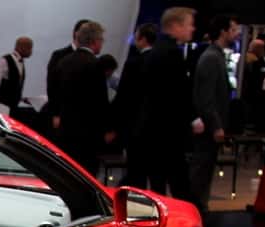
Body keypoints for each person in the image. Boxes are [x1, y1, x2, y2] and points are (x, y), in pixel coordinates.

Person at [133, 7, 202, 204]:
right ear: (175, 25)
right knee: (178, 182)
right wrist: (193, 117)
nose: (192, 29)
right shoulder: (170, 53)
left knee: (159, 182)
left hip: (153, 130)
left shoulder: (157, 51)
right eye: (189, 24)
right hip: (167, 132)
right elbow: (177, 93)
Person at [50, 21, 114, 176]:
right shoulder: (95, 65)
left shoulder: (63, 62)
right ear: (95, 41)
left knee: (65, 173)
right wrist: (108, 128)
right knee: (85, 175)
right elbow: (100, 101)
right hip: (88, 133)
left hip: (65, 128)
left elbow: (54, 91)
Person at [191, 16, 239, 211]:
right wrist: (216, 125)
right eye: (233, 29)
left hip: (211, 124)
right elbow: (206, 97)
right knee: (201, 169)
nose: (237, 34)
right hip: (208, 127)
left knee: (206, 168)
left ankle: (199, 206)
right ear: (223, 32)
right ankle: (196, 207)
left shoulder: (216, 55)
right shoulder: (211, 57)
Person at [113, 23, 157, 187]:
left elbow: (124, 96)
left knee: (136, 170)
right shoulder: (163, 61)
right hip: (157, 126)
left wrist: (113, 123)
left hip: (135, 125)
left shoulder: (134, 63)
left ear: (142, 39)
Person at [0, 36, 32, 114]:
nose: (31, 52)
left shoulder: (21, 63)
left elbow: (13, 86)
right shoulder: (4, 61)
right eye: (29, 48)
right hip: (3, 106)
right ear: (22, 48)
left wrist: (21, 98)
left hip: (13, 106)